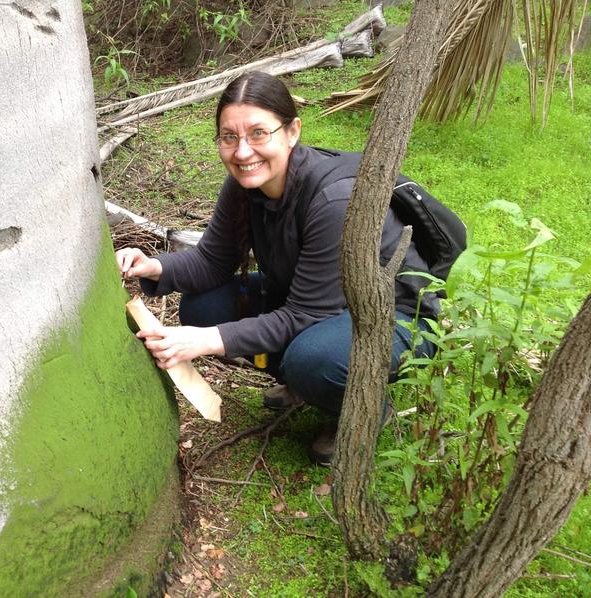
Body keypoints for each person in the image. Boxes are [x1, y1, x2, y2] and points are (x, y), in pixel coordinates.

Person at [115, 71, 437, 464]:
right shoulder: (245, 186)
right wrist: (152, 267)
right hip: (320, 304)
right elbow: (212, 260)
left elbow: (304, 314)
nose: (242, 151)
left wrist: (208, 340)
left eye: (258, 133)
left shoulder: (333, 201)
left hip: (395, 319)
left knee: (310, 357)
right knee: (202, 308)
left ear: (292, 131)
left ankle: (364, 409)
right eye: (229, 137)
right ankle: (300, 379)